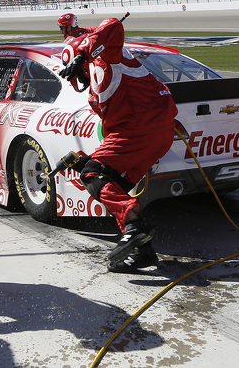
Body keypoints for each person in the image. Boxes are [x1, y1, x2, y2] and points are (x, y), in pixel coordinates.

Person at [58, 17, 178, 273]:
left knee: (91, 175)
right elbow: (114, 130)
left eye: (78, 70)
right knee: (112, 185)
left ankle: (135, 227)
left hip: (142, 127)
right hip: (153, 131)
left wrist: (82, 53)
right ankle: (143, 252)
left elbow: (112, 25)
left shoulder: (108, 57)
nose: (79, 76)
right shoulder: (97, 86)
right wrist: (90, 157)